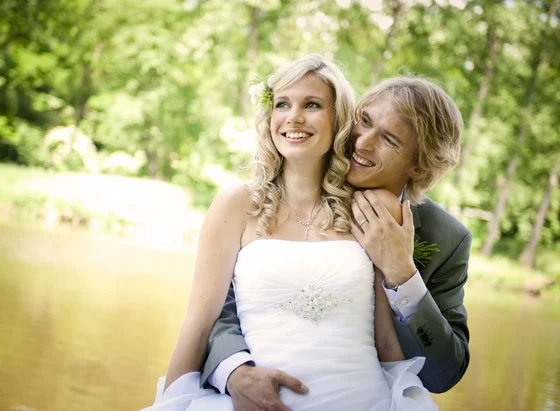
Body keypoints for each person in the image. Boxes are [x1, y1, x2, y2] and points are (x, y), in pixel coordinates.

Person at [141, 54, 438, 411]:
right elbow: (199, 323)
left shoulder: (369, 212)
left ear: (337, 119)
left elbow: (385, 341)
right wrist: (172, 402)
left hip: (364, 400)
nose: (294, 117)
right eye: (282, 104)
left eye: (311, 105)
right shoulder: (236, 204)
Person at [202, 77, 470, 409]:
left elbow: (443, 375)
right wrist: (233, 371)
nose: (362, 143)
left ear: (418, 164)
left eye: (388, 139)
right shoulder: (298, 178)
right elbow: (218, 307)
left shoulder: (447, 238)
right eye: (365, 122)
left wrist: (402, 272)